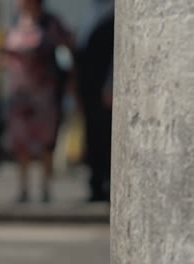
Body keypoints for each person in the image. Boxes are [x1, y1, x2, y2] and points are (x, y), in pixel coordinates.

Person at [2, 0, 74, 203]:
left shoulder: (50, 23)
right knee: (20, 142)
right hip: (19, 93)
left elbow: (67, 49)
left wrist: (67, 82)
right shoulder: (15, 22)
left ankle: (45, 188)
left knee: (45, 142)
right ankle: (23, 188)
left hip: (43, 93)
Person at [77, 0, 114, 202]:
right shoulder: (92, 14)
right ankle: (96, 184)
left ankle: (106, 183)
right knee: (93, 137)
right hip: (90, 88)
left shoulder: (113, 14)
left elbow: (116, 54)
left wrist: (111, 84)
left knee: (105, 137)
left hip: (104, 89)